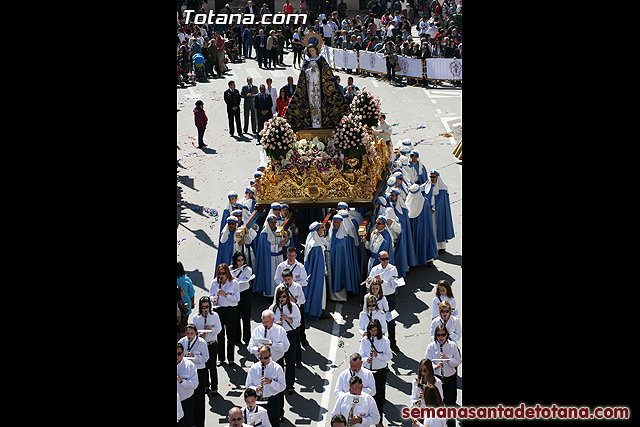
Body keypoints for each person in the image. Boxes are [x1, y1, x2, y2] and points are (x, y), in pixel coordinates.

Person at [284, 43, 350, 131]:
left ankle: (320, 123)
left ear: (316, 50)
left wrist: (317, 71)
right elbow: (303, 75)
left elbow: (327, 74)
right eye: (310, 51)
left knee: (319, 103)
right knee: (312, 104)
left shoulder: (321, 60)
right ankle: (313, 124)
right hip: (310, 87)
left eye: (313, 51)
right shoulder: (307, 61)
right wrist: (309, 72)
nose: (311, 52)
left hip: (320, 87)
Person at [424, 325, 461, 427]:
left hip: (449, 377)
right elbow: (426, 362)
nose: (441, 337)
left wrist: (448, 359)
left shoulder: (453, 346)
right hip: (437, 378)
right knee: (437, 403)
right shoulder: (431, 346)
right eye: (438, 335)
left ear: (447, 335)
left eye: (443, 335)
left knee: (450, 404)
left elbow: (458, 361)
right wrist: (435, 366)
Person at [358, 319, 391, 427]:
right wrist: (365, 359)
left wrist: (378, 356)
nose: (373, 333)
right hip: (367, 372)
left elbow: (389, 356)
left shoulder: (385, 341)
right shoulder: (365, 340)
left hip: (380, 371)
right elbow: (360, 354)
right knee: (366, 396)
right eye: (371, 330)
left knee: (378, 397)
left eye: (375, 330)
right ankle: (364, 421)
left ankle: (379, 421)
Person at [366, 250, 400, 352]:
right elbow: (368, 286)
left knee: (391, 320)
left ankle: (392, 343)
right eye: (383, 259)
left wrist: (382, 282)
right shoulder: (375, 269)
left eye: (387, 259)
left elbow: (395, 284)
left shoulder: (392, 269)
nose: (386, 261)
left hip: (389, 297)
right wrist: (369, 281)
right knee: (377, 320)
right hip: (378, 298)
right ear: (379, 259)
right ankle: (377, 343)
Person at [246, 344, 287, 427]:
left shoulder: (277, 368)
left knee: (274, 423)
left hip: (272, 401)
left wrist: (271, 382)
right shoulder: (254, 368)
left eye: (265, 358)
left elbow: (282, 386)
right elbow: (248, 385)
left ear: (270, 355)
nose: (263, 360)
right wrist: (255, 389)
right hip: (258, 401)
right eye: (260, 358)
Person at [178, 324, 210, 427]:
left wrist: (194, 356)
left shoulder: (202, 342)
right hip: (185, 370)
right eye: (187, 333)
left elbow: (206, 358)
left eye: (191, 333)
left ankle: (199, 423)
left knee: (199, 399)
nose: (189, 335)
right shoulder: (182, 341)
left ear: (196, 332)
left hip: (199, 370)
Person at [271, 287, 301, 394]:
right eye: (280, 297)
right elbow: (267, 322)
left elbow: (298, 322)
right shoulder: (273, 308)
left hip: (289, 334)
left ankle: (290, 385)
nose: (282, 299)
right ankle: (279, 383)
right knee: (278, 360)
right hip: (278, 335)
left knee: (290, 360)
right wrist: (275, 324)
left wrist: (288, 319)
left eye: (284, 296)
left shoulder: (293, 307)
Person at [209, 263, 240, 364]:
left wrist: (225, 295)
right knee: (220, 335)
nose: (221, 276)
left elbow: (237, 299)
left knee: (231, 335)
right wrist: (213, 298)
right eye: (219, 274)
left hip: (230, 310)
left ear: (227, 273)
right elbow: (210, 296)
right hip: (219, 310)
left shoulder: (234, 283)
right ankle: (221, 358)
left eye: (223, 273)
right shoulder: (214, 283)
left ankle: (231, 358)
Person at [191, 296, 222, 395]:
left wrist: (211, 329)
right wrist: (198, 334)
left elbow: (219, 329)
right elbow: (192, 331)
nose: (205, 309)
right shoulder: (196, 317)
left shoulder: (214, 316)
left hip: (211, 344)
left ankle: (214, 387)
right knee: (203, 367)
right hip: (201, 345)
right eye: (203, 307)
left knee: (212, 367)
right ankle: (205, 385)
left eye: (207, 307)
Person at [254, 214, 289, 297]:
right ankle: (271, 295)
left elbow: (285, 243)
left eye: (274, 222)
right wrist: (278, 246)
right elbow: (266, 248)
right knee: (271, 277)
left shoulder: (279, 231)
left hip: (280, 257)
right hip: (270, 259)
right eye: (271, 222)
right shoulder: (264, 234)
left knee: (280, 275)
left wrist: (286, 237)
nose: (273, 224)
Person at [327, 214, 360, 302]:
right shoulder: (332, 232)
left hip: (339, 261)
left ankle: (341, 297)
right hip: (332, 259)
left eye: (337, 222)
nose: (335, 224)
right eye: (334, 222)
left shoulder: (343, 237)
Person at [405, 183, 439, 266]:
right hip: (423, 227)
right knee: (425, 241)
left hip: (415, 226)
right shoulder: (425, 202)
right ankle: (428, 259)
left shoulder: (409, 202)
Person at [303, 221, 330, 320]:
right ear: (317, 231)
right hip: (317, 273)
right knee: (319, 292)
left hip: (311, 271)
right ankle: (318, 311)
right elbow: (320, 262)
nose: (322, 230)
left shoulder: (312, 241)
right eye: (320, 229)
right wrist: (325, 271)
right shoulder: (317, 246)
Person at [424, 170, 455, 252]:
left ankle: (441, 247)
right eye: (431, 177)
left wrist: (433, 209)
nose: (432, 178)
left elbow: (441, 202)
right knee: (432, 229)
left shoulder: (442, 189)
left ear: (437, 177)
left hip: (439, 213)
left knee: (439, 228)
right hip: (429, 212)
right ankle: (434, 247)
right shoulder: (429, 186)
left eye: (434, 177)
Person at [231, 251, 254, 345]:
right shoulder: (230, 269)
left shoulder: (247, 269)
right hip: (235, 294)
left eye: (242, 260)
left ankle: (247, 337)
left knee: (246, 317)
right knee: (235, 317)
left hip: (245, 294)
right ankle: (237, 338)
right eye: (238, 260)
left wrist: (237, 281)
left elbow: (245, 280)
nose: (240, 262)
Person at [177, 342, 199, 427]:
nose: (177, 356)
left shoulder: (190, 366)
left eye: (179, 354)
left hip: (185, 402)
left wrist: (182, 381)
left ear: (183, 353)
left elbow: (195, 384)